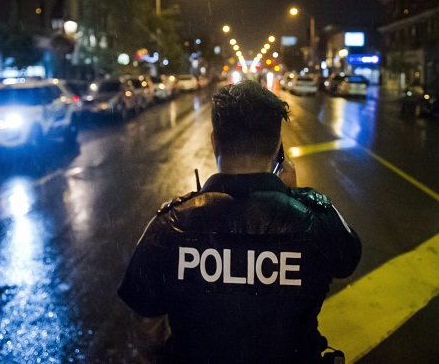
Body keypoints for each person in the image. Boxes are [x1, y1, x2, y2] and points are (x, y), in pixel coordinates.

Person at [118, 80, 362, 363]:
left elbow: (147, 325)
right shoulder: (314, 218)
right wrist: (294, 195)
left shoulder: (169, 226)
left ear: (214, 142)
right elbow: (348, 258)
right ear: (278, 149)